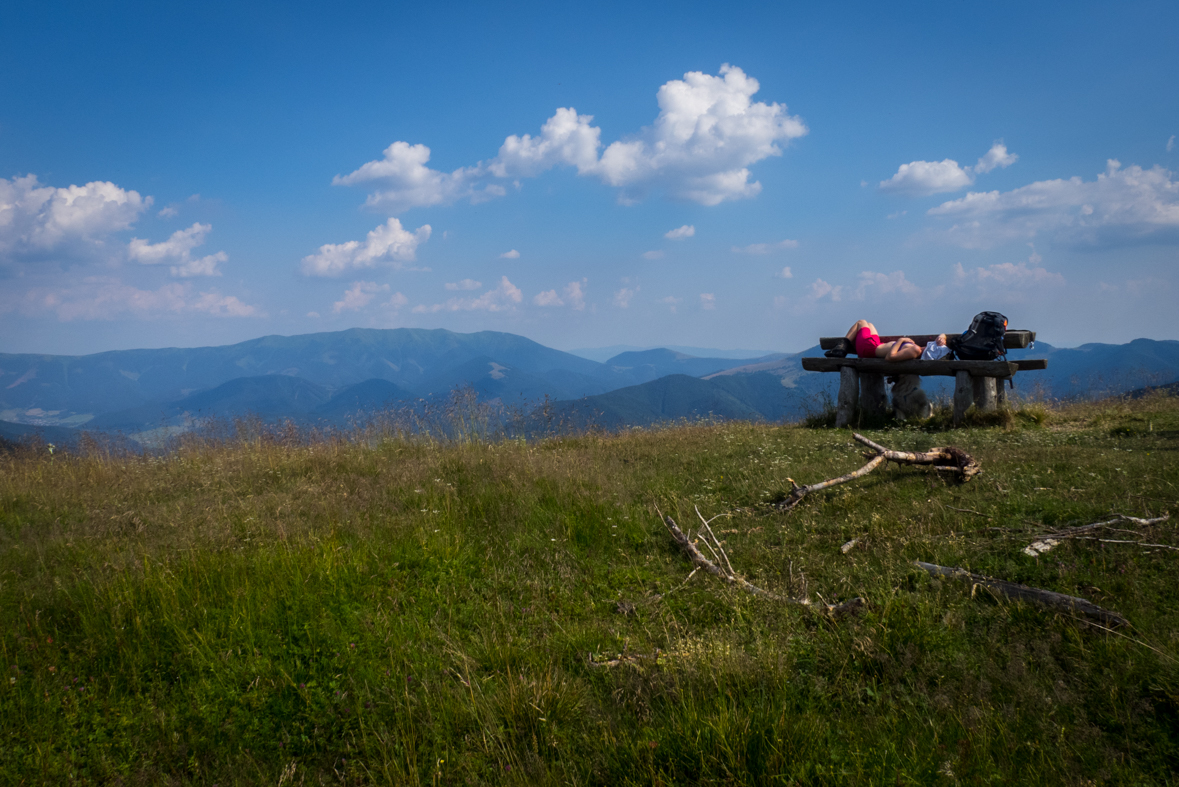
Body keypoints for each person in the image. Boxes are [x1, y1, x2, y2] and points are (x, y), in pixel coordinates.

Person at [843, 320, 923, 361]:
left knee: (861, 322)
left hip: (869, 349)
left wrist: (901, 340)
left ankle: (842, 347)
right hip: (875, 345)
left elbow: (890, 357)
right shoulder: (916, 349)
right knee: (869, 324)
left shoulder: (915, 351)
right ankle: (842, 346)